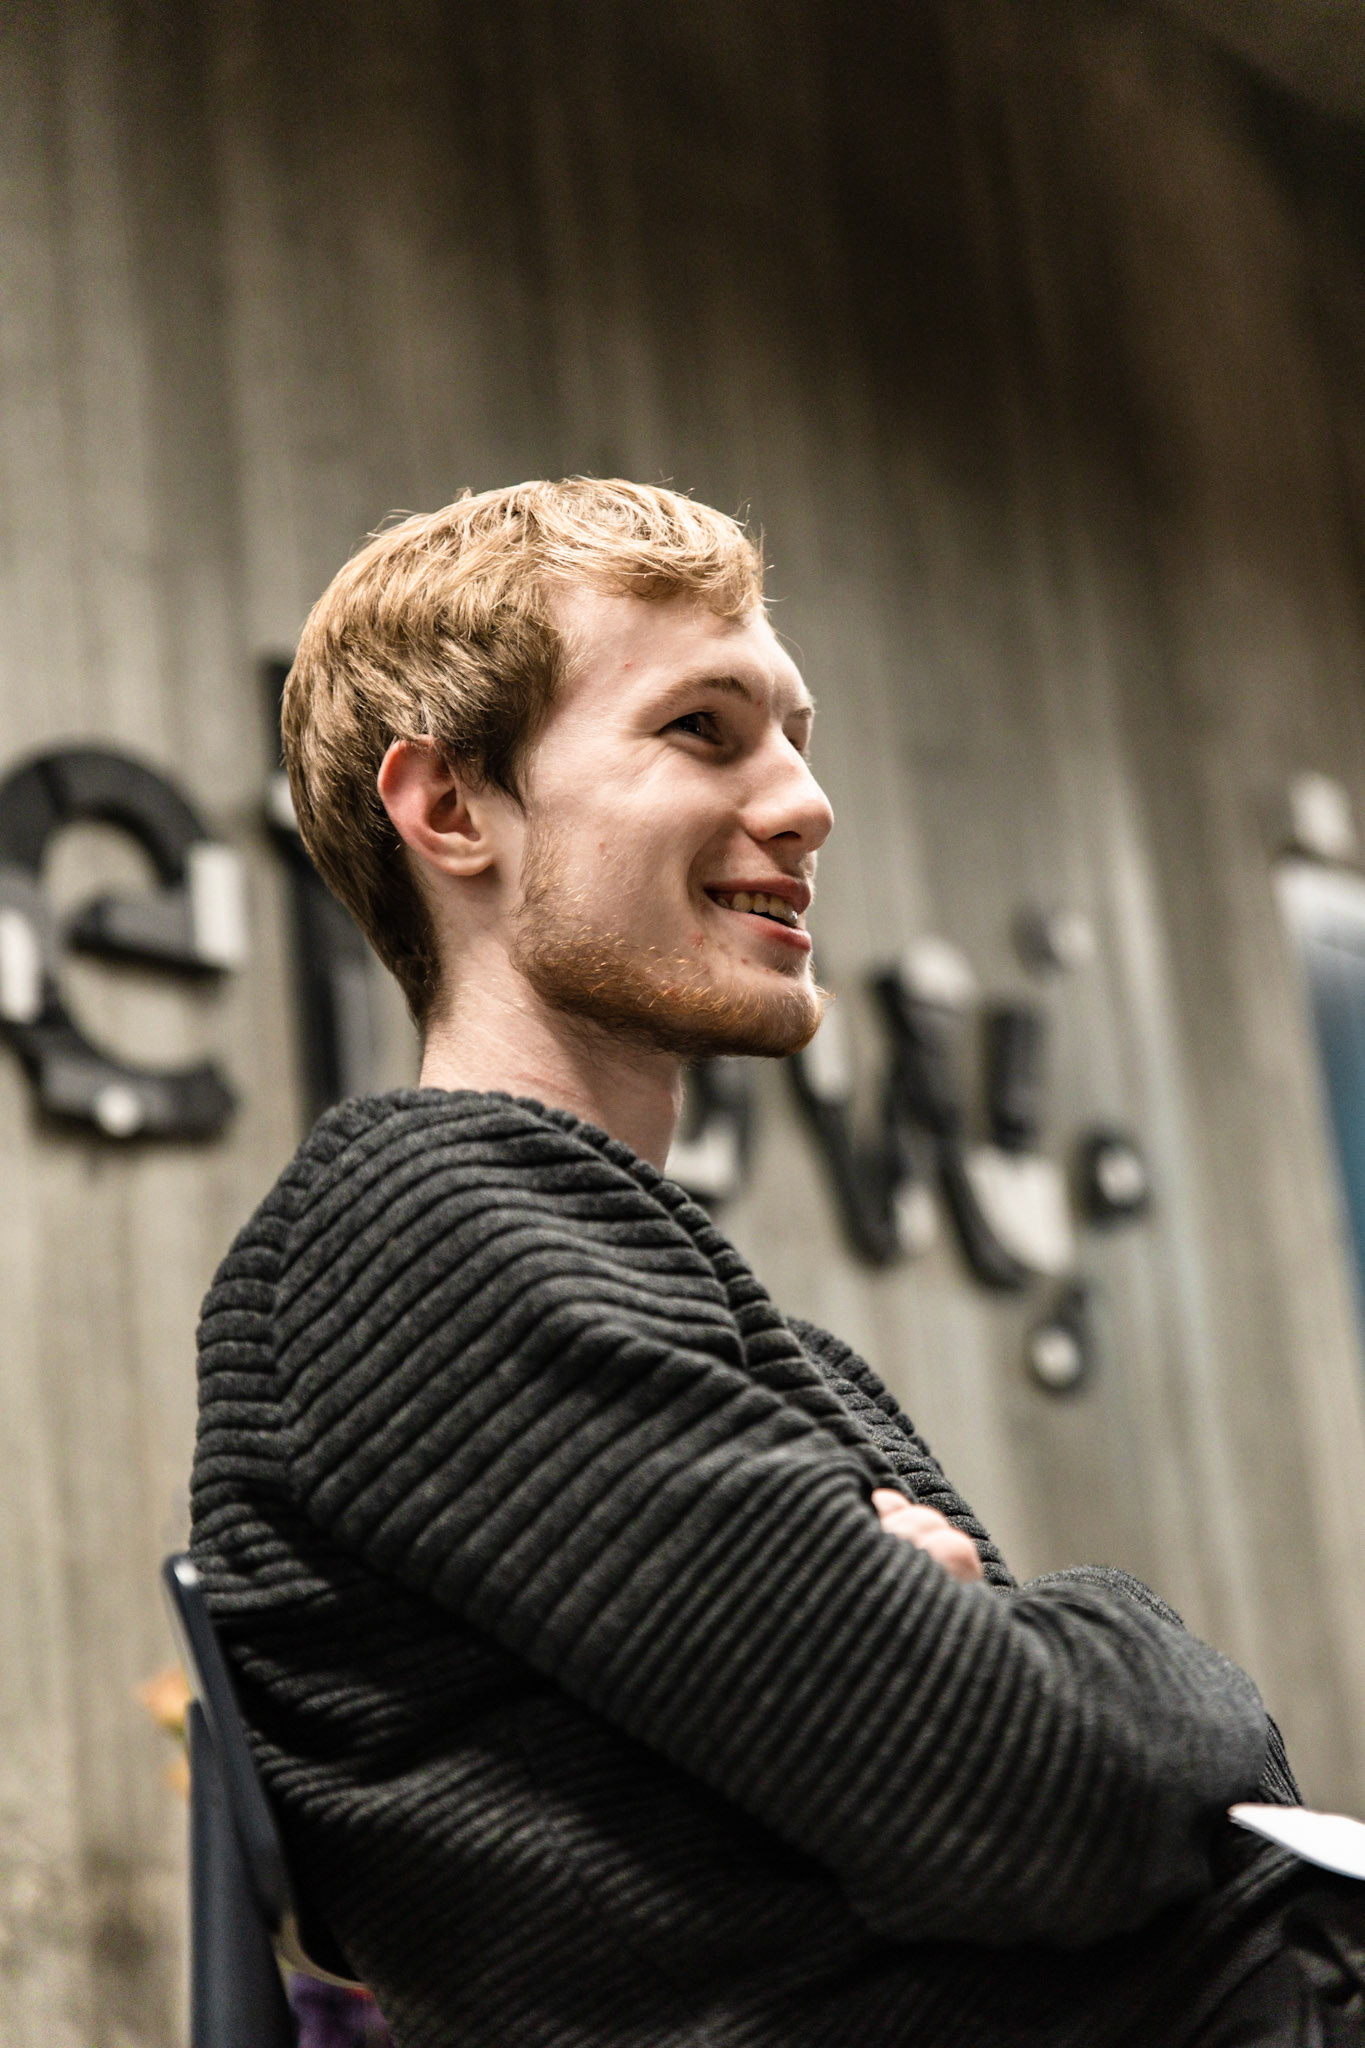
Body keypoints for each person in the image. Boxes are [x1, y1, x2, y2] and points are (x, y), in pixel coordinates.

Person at [193, 479, 1365, 2048]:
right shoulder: (406, 1235)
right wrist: (1122, 1639)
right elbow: (1041, 1797)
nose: (806, 802)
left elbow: (1025, 1774)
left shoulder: (732, 1332)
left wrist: (1016, 1668)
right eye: (703, 728)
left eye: (798, 738)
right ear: (452, 809)